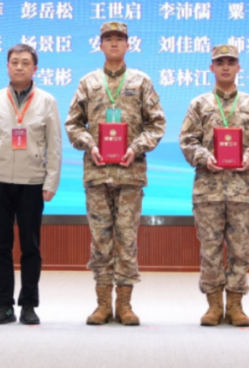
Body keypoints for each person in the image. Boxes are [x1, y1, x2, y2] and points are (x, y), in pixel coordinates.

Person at [65, 21, 166, 326]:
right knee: (100, 238)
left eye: (119, 39)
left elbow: (157, 124)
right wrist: (90, 145)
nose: (113, 43)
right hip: (97, 173)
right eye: (108, 38)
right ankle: (101, 304)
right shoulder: (88, 82)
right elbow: (73, 124)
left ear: (127, 45)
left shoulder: (141, 81)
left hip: (129, 173)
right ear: (100, 45)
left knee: (127, 238)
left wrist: (136, 147)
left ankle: (124, 304)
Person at [178, 44, 249, 327]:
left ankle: (235, 304)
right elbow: (186, 139)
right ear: (211, 68)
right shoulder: (200, 104)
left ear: (238, 67)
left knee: (240, 250)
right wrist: (204, 157)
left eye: (230, 62)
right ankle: (212, 306)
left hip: (241, 190)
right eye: (220, 63)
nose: (225, 67)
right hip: (208, 190)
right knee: (210, 249)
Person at [0, 44, 62, 325]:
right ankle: (4, 305)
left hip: (32, 181)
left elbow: (54, 145)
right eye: (14, 62)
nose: (19, 67)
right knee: (0, 246)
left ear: (35, 68)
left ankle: (28, 305)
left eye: (25, 62)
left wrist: (51, 181)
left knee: (30, 246)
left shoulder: (47, 100)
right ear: (7, 66)